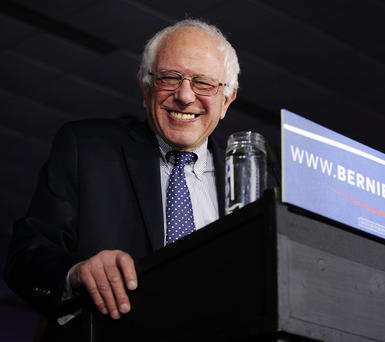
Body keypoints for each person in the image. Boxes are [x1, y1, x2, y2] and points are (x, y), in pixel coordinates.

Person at [4, 19, 239, 339]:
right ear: (145, 89)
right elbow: (26, 258)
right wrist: (75, 274)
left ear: (227, 99)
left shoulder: (253, 178)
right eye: (170, 78)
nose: (185, 96)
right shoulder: (85, 150)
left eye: (204, 84)